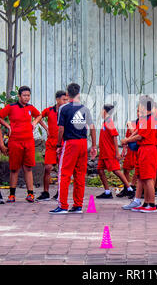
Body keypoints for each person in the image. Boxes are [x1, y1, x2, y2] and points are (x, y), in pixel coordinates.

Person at [49, 83, 97, 214]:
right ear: (79, 94)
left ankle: (63, 205)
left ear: (67, 94)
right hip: (83, 143)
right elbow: (92, 127)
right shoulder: (85, 109)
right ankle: (78, 205)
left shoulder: (63, 109)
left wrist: (59, 145)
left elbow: (60, 129)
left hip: (71, 143)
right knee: (80, 175)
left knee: (64, 174)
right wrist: (93, 146)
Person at [0, 86, 42, 203]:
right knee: (14, 169)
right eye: (24, 95)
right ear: (19, 96)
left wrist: (34, 122)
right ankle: (12, 195)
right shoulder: (11, 107)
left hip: (28, 141)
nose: (27, 98)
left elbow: (39, 115)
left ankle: (30, 194)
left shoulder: (30, 108)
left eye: (28, 95)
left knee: (28, 168)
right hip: (15, 141)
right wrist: (8, 126)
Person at [121, 96, 157, 213]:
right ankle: (146, 203)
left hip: (148, 149)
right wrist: (127, 138)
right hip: (142, 149)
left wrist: (127, 140)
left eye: (140, 106)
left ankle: (151, 204)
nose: (139, 108)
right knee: (142, 177)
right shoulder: (144, 119)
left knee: (148, 178)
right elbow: (137, 131)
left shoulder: (150, 120)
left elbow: (140, 136)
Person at [96, 104, 134, 199]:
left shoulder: (109, 122)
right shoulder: (105, 122)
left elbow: (114, 136)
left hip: (109, 152)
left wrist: (117, 153)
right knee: (100, 170)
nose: (101, 113)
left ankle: (129, 190)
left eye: (101, 110)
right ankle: (107, 192)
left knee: (116, 170)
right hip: (103, 153)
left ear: (104, 111)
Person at [36, 90, 68, 201]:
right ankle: (45, 192)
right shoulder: (49, 110)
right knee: (48, 168)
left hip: (63, 143)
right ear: (57, 99)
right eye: (64, 99)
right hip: (51, 143)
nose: (65, 101)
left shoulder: (67, 111)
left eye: (67, 100)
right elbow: (39, 116)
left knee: (61, 170)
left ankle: (60, 192)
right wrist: (37, 124)